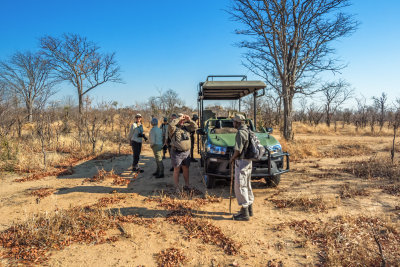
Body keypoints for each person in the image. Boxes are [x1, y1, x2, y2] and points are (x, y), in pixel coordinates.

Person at [229, 114, 254, 221]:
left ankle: (244, 213)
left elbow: (238, 150)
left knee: (240, 185)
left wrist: (232, 159)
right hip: (249, 161)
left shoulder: (240, 132)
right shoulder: (248, 130)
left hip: (242, 161)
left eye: (234, 121)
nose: (233, 123)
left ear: (238, 123)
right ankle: (249, 208)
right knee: (247, 184)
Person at [168, 113, 198, 192]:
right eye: (181, 119)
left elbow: (195, 127)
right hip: (176, 152)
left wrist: (189, 120)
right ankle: (177, 187)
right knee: (176, 170)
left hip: (186, 153)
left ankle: (187, 185)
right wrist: (179, 118)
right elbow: (171, 125)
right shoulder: (173, 128)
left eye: (183, 119)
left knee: (186, 169)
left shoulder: (186, 127)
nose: (182, 120)